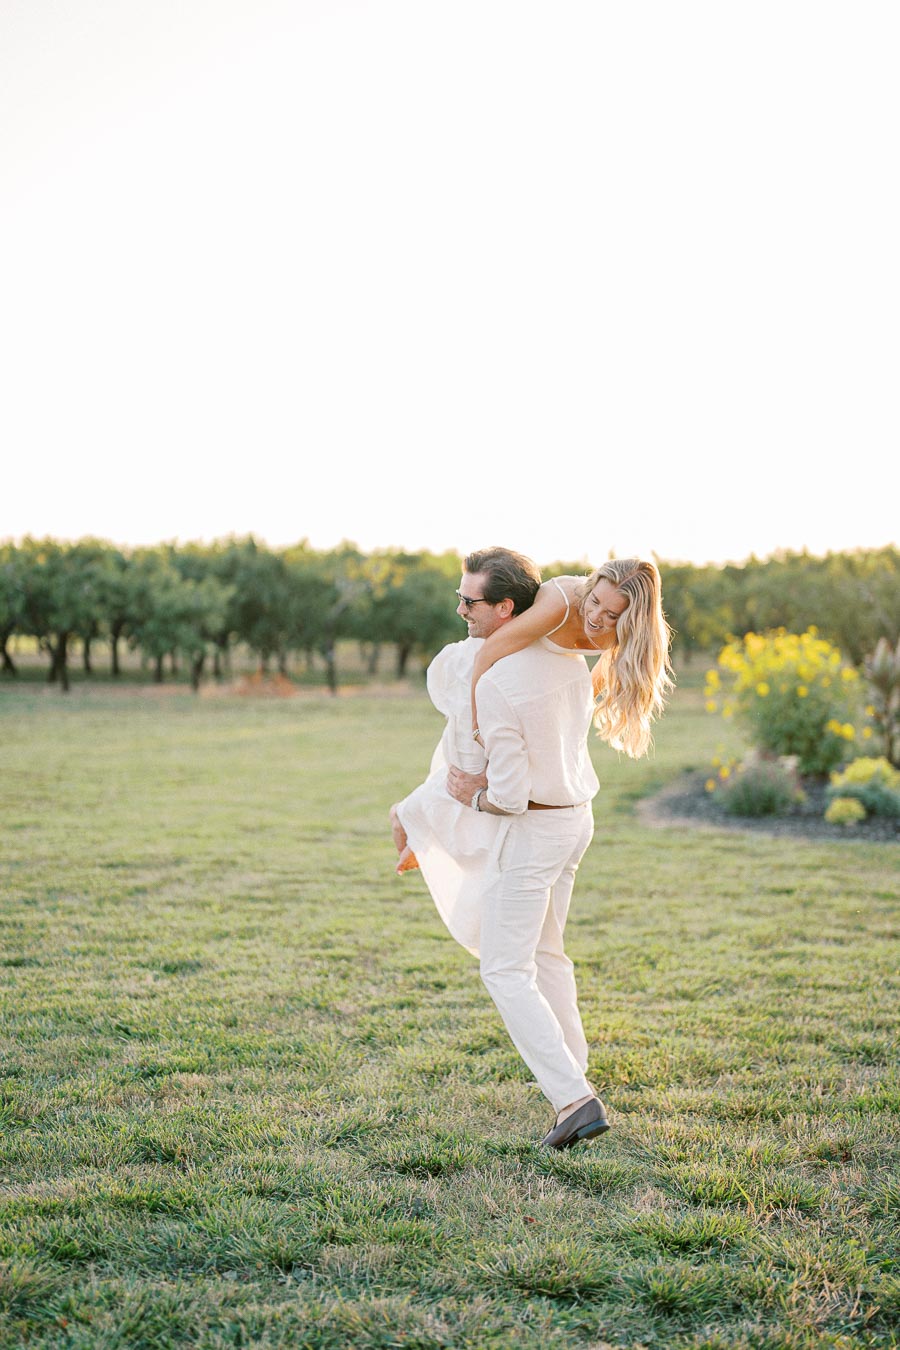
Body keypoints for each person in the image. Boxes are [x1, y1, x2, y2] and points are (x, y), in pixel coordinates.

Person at [395, 549, 673, 1149]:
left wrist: (471, 793)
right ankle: (574, 1070)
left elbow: (507, 796)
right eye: (595, 604)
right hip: (575, 820)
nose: (598, 619)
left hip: (537, 829)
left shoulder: (497, 679)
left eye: (470, 603)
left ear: (505, 610)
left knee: (504, 968)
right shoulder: (567, 665)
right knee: (548, 955)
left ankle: (574, 1100)